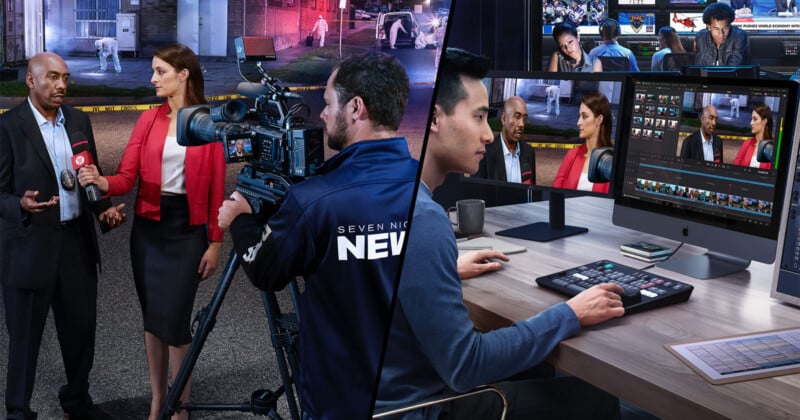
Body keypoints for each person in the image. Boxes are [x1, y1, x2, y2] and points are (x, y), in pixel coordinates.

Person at [375, 47, 624, 419]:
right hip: (423, 408)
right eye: (479, 117)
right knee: (596, 398)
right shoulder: (425, 218)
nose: (490, 135)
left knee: (537, 366)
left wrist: (442, 267)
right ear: (434, 119)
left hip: (386, 391)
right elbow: (465, 366)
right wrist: (569, 313)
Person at [216, 52, 418, 419]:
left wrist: (240, 218)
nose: (322, 114)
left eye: (327, 103)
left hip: (335, 398)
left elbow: (266, 271)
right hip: (408, 395)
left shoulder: (315, 200)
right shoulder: (424, 185)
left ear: (356, 108)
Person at [77, 43, 225, 420]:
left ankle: (180, 406)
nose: (152, 78)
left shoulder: (210, 124)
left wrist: (214, 244)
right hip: (149, 232)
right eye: (154, 71)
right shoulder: (148, 120)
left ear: (184, 74)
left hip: (188, 232)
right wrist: (101, 182)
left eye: (160, 71)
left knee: (174, 319)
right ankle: (159, 399)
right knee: (154, 320)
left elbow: (216, 190)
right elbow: (127, 177)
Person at [0, 52, 125, 420]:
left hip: (76, 245)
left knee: (80, 332)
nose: (61, 86)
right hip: (29, 246)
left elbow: (90, 177)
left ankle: (76, 400)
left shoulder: (78, 121)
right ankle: (18, 411)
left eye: (65, 78)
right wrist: (18, 204)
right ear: (31, 81)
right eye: (52, 77)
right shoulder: (9, 127)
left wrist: (104, 209)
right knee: (24, 338)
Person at [553, 91, 613, 193]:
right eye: (579, 116)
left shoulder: (612, 161)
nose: (578, 122)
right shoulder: (572, 155)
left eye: (584, 116)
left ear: (599, 119)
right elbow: (555, 193)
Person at [475, 96, 536, 184]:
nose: (522, 124)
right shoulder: (484, 154)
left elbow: (531, 193)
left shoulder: (529, 152)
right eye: (517, 117)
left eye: (524, 118)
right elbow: (476, 193)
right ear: (504, 119)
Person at [734, 104, 774, 169]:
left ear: (764, 121)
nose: (751, 123)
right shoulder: (746, 144)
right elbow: (736, 166)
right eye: (751, 119)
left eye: (755, 119)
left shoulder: (773, 148)